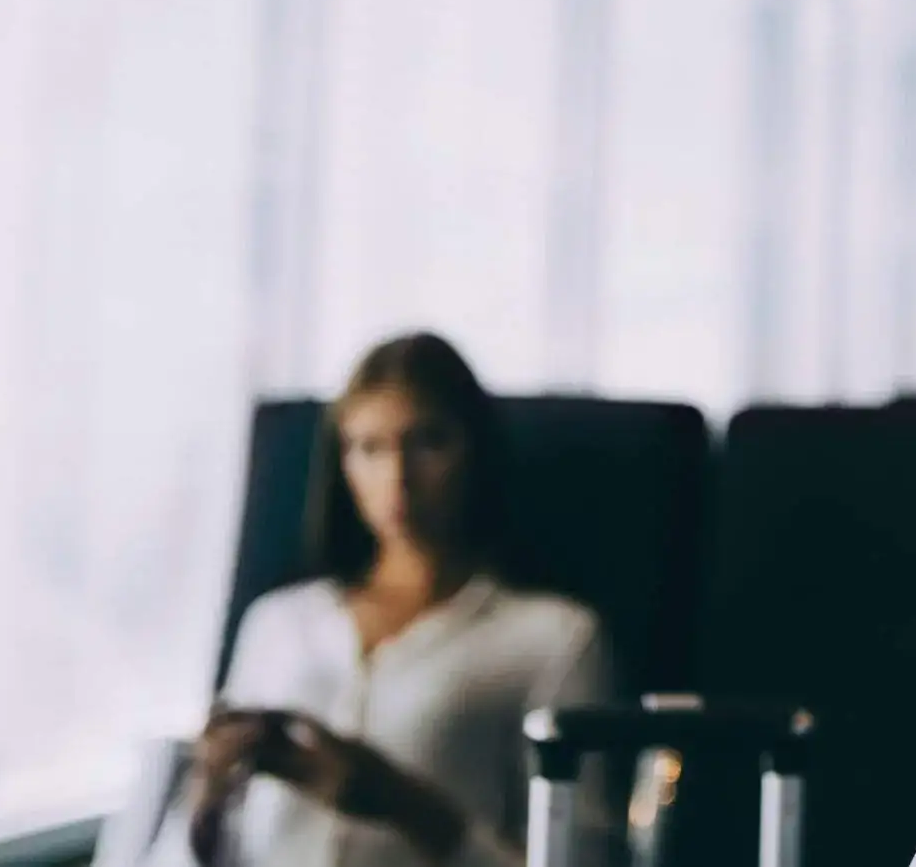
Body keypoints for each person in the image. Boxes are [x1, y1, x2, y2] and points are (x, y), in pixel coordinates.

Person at [176, 333, 609, 867]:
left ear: (476, 449)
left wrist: (409, 808)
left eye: (428, 441)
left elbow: (581, 861)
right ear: (343, 465)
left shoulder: (553, 638)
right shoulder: (278, 622)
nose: (398, 477)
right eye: (370, 447)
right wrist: (204, 800)